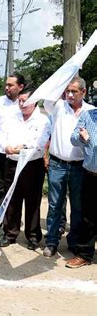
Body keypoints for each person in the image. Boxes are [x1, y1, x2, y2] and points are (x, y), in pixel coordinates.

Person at [42, 76, 93, 257]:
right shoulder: (58, 107)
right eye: (67, 91)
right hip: (58, 164)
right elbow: (48, 95)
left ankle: (74, 242)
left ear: (84, 92)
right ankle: (52, 241)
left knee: (78, 206)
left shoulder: (92, 112)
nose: (69, 95)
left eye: (74, 91)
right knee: (55, 204)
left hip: (81, 166)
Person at [0, 89, 51, 250]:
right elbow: (0, 136)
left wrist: (22, 148)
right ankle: (10, 233)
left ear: (34, 102)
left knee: (33, 201)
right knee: (12, 199)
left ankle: (33, 236)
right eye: (19, 101)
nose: (21, 104)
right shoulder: (11, 118)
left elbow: (40, 144)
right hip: (12, 163)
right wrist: (5, 146)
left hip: (32, 165)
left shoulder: (43, 120)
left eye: (25, 101)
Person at [0, 73, 25, 232]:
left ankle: (11, 223)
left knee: (14, 189)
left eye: (11, 85)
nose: (7, 88)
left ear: (20, 87)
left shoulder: (24, 103)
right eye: (6, 85)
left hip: (16, 154)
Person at [67, 107, 97, 268]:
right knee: (88, 217)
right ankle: (85, 254)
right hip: (90, 174)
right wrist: (83, 139)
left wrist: (91, 140)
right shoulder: (88, 115)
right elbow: (73, 138)